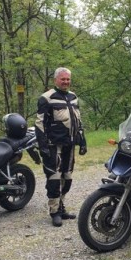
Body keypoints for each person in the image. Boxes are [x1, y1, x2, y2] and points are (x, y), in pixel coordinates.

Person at [35, 67, 87, 227]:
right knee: (54, 178)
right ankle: (54, 211)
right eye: (63, 79)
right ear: (55, 80)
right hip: (53, 145)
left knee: (67, 177)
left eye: (68, 79)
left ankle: (61, 206)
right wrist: (42, 146)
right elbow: (39, 123)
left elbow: (78, 121)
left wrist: (83, 141)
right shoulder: (46, 98)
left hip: (69, 145)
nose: (66, 82)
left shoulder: (73, 97)